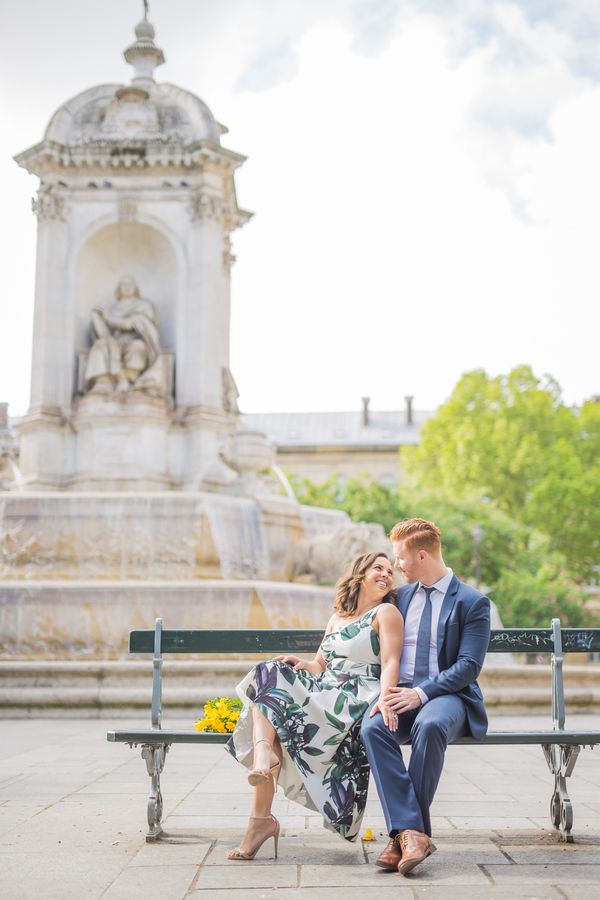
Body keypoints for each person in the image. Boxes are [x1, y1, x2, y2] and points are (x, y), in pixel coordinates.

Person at [226, 552, 404, 859]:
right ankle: (261, 796)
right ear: (359, 574)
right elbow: (321, 662)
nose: (386, 574)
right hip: (324, 688)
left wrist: (387, 698)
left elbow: (390, 661)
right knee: (268, 673)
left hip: (350, 698)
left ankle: (260, 817)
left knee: (270, 709)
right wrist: (304, 664)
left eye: (390, 571)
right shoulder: (337, 618)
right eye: (378, 568)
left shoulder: (385, 613)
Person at [361, 517, 491, 876]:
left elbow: (468, 666)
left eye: (400, 558)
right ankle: (413, 835)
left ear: (421, 555)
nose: (395, 566)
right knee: (372, 727)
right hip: (400, 694)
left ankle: (401, 834)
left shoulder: (472, 602)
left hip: (449, 696)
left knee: (431, 724)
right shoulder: (398, 598)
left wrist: (420, 694)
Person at [84, 275, 165, 396]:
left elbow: (133, 324)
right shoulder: (113, 309)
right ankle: (103, 382)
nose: (127, 287)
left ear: (135, 288)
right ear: (119, 289)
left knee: (138, 347)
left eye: (130, 284)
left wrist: (108, 318)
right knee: (101, 344)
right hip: (115, 342)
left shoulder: (143, 305)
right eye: (124, 284)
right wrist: (97, 318)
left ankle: (128, 378)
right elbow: (104, 333)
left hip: (133, 340)